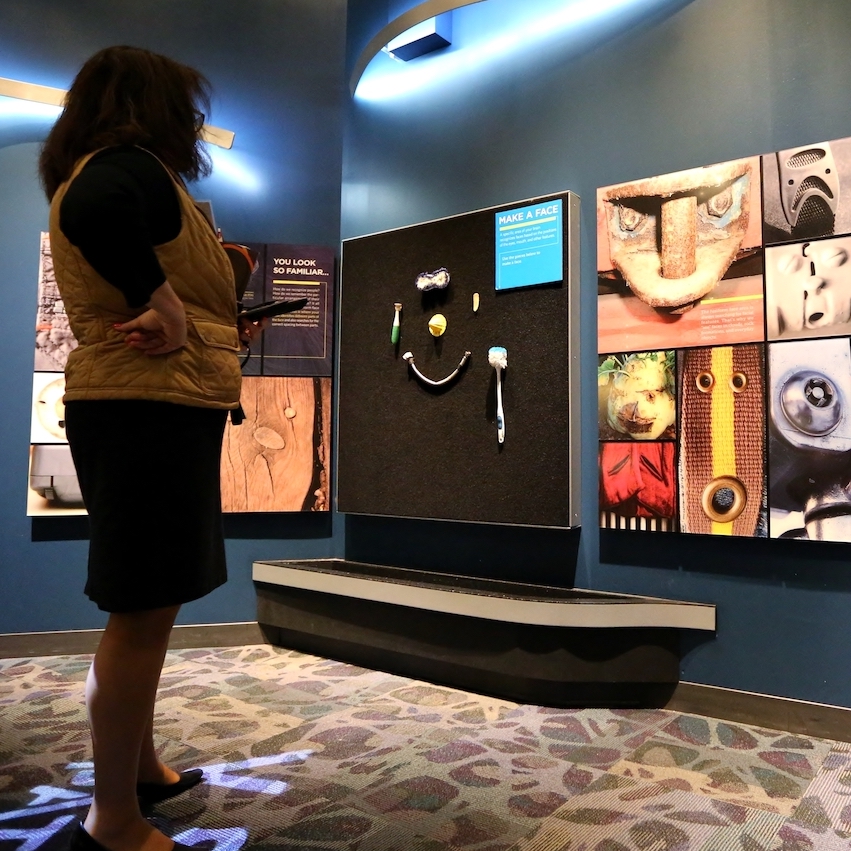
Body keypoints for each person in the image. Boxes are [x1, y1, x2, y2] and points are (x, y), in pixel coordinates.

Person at [39, 46, 261, 851]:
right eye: (187, 109)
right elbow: (100, 210)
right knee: (139, 611)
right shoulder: (120, 167)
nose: (194, 126)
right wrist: (164, 301)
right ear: (154, 107)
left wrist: (186, 306)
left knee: (149, 604)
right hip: (145, 407)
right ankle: (113, 820)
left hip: (149, 403)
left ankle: (139, 767)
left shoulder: (111, 167)